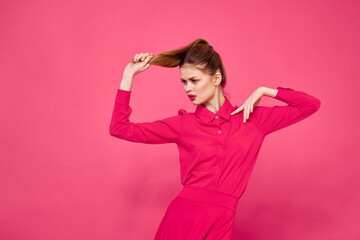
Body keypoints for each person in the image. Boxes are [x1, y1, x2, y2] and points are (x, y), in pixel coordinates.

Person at [109, 39, 321, 240]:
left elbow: (310, 105)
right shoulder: (183, 125)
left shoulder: (253, 119)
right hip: (183, 219)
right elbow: (120, 128)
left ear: (216, 78)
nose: (188, 88)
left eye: (194, 80)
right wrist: (128, 75)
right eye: (184, 82)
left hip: (222, 221)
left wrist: (264, 91)